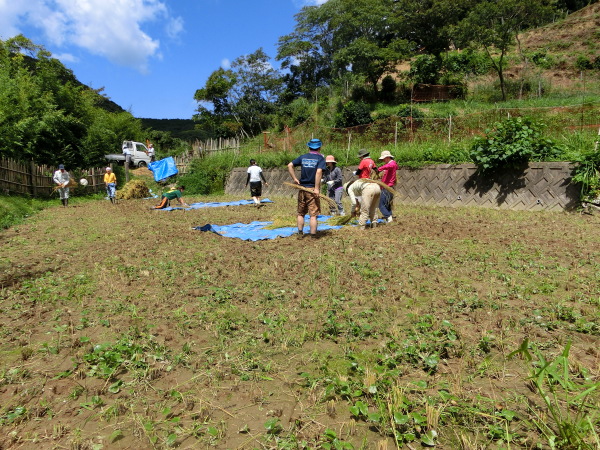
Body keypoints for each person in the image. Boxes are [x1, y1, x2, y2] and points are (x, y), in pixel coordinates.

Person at [287, 138, 326, 238]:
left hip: (302, 189)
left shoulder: (303, 157)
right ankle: (313, 236)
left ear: (309, 146)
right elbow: (318, 172)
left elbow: (290, 165)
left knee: (301, 213)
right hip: (312, 189)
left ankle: (300, 233)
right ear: (319, 147)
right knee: (313, 214)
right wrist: (317, 188)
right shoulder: (320, 158)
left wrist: (295, 179)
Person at [374, 150, 398, 223]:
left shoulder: (392, 164)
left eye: (384, 159)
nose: (383, 160)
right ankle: (390, 218)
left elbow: (390, 166)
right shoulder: (389, 166)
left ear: (387, 157)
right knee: (387, 204)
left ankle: (388, 217)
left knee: (381, 205)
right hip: (386, 187)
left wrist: (379, 169)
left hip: (388, 188)